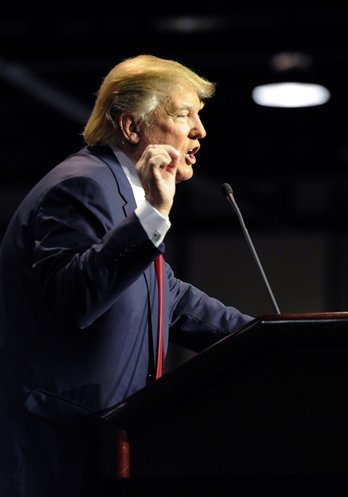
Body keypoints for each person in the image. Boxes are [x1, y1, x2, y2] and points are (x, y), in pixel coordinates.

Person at [0, 54, 254, 497]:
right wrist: (153, 215)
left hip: (95, 454)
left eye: (199, 115)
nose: (200, 130)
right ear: (131, 127)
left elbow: (171, 298)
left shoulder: (122, 197)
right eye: (183, 114)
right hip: (54, 457)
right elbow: (74, 294)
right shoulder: (82, 185)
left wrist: (273, 339)